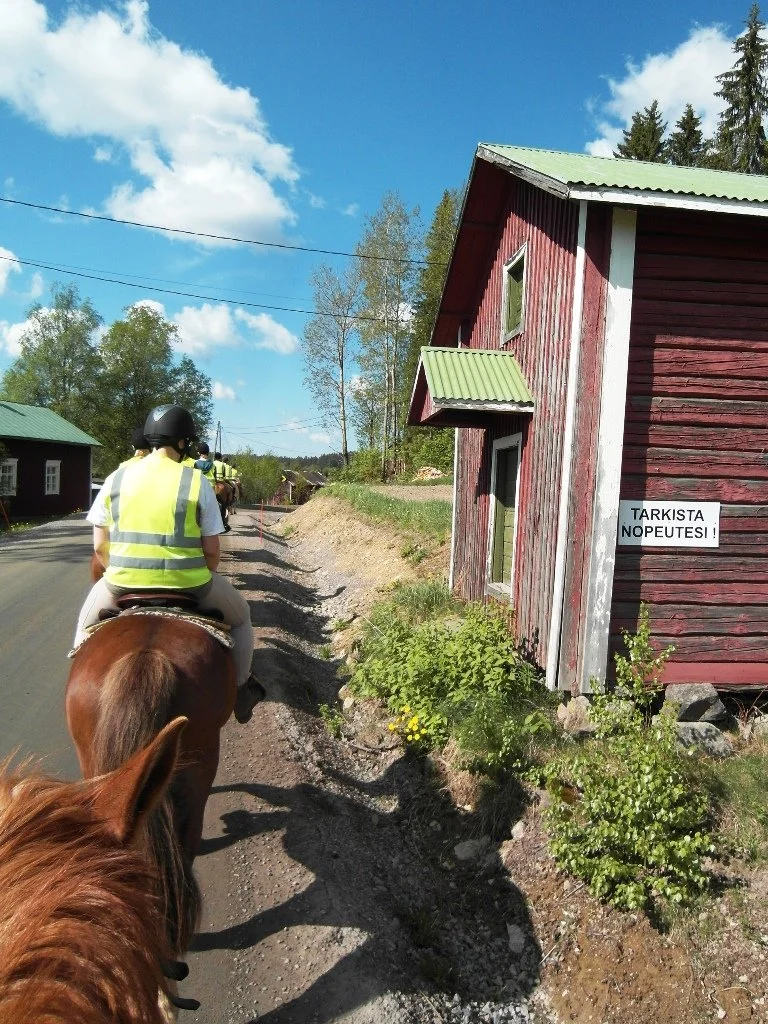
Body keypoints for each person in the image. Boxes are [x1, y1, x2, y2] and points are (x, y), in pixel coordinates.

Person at [73, 403, 264, 723]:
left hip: (121, 583)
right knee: (243, 618)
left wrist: (120, 571)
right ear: (181, 444)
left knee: (82, 635)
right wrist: (202, 576)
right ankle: (242, 691)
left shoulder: (115, 477)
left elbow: (99, 546)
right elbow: (213, 551)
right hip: (190, 584)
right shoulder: (194, 481)